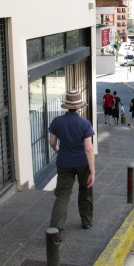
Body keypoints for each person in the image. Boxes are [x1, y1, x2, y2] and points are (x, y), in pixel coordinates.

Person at [49, 90, 95, 234]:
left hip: (64, 163)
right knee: (85, 192)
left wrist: (57, 149)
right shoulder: (85, 123)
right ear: (79, 107)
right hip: (83, 163)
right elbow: (89, 149)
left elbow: (52, 142)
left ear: (66, 106)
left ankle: (56, 230)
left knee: (62, 195)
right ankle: (86, 221)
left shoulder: (57, 121)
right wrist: (92, 171)